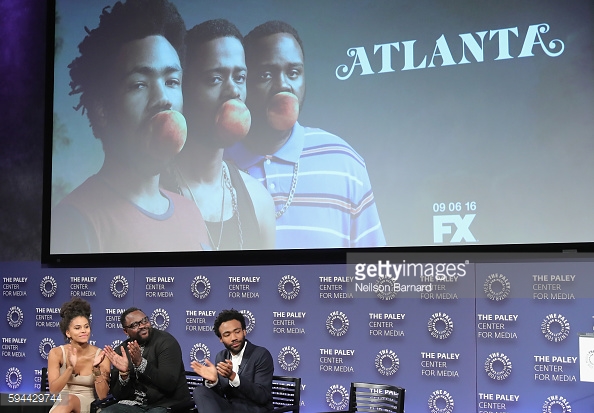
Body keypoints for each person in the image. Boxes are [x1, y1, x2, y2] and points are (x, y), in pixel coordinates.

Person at [50, 0, 210, 254]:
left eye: (171, 81)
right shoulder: (73, 220)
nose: (163, 98)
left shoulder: (191, 212)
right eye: (139, 84)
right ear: (101, 109)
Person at [225, 20, 386, 249]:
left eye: (293, 73)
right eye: (266, 75)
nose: (283, 85)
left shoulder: (345, 162)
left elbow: (372, 274)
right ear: (244, 82)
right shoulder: (215, 163)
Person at [162, 19, 275, 250]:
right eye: (215, 78)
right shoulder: (147, 192)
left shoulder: (259, 201)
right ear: (183, 88)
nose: (234, 90)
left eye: (239, 77)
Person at [102, 307, 190, 413]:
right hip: (134, 405)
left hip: (165, 404)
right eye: (135, 325)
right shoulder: (122, 351)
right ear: (126, 331)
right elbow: (118, 395)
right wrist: (124, 374)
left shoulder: (166, 343)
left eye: (145, 320)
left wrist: (140, 363)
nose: (143, 326)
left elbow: (169, 383)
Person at [191, 309, 273, 413]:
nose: (233, 338)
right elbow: (219, 397)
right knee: (200, 391)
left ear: (244, 331)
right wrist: (213, 382)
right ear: (221, 339)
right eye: (227, 334)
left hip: (254, 409)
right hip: (231, 408)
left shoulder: (261, 354)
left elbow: (263, 396)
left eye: (237, 332)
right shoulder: (221, 357)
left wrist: (233, 377)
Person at [48, 298, 110, 413]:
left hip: (88, 405)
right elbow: (54, 390)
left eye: (86, 327)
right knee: (68, 399)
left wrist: (96, 370)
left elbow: (103, 396)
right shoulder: (56, 353)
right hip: (63, 403)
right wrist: (70, 368)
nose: (83, 331)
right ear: (68, 332)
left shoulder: (101, 356)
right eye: (77, 328)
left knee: (70, 399)